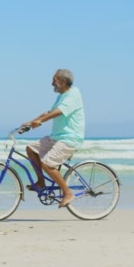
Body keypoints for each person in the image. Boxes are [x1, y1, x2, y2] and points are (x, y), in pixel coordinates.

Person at [23, 69, 85, 208]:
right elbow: (50, 112)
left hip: (69, 138)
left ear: (62, 81)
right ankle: (41, 182)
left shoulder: (73, 94)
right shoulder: (62, 95)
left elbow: (58, 112)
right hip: (57, 137)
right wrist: (32, 121)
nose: (52, 84)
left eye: (54, 80)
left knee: (48, 164)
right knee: (31, 149)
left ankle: (68, 192)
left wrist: (41, 121)